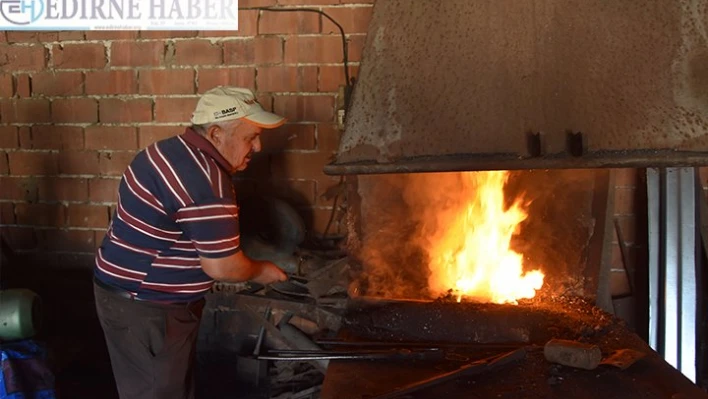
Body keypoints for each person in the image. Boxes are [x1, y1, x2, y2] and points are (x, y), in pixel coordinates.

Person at [92, 86, 289, 399]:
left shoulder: (167, 150)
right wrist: (261, 271)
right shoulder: (207, 181)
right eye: (250, 137)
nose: (259, 146)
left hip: (126, 294)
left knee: (164, 387)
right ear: (215, 133)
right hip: (148, 308)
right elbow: (223, 267)